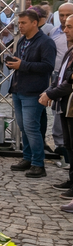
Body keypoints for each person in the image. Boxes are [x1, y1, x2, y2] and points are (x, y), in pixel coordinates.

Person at [7, 9, 56, 178]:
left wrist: (23, 65)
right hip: (18, 88)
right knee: (24, 128)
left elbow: (48, 66)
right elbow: (19, 60)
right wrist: (12, 62)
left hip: (34, 91)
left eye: (23, 23)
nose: (20, 26)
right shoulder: (21, 41)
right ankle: (27, 158)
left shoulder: (46, 42)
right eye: (19, 23)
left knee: (31, 127)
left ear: (34, 23)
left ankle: (38, 163)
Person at [42, 15, 73, 199]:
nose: (65, 30)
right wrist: (50, 89)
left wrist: (50, 94)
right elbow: (61, 76)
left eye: (69, 26)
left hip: (71, 103)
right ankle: (71, 179)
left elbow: (70, 83)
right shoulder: (70, 51)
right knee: (69, 144)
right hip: (66, 104)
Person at [50, 3, 73, 157]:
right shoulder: (54, 32)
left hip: (68, 84)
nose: (64, 22)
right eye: (61, 16)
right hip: (58, 75)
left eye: (69, 26)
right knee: (58, 114)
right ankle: (62, 145)